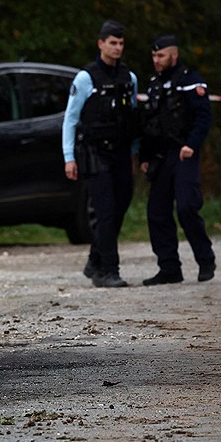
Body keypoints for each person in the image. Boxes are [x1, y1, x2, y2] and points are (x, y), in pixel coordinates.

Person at [62, 20, 139, 288]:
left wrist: (134, 154)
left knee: (120, 208)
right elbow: (70, 120)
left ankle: (95, 260)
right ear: (101, 44)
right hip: (95, 153)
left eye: (121, 43)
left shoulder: (129, 78)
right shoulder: (86, 78)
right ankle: (108, 270)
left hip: (120, 152)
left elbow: (131, 118)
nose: (117, 48)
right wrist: (68, 157)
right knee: (105, 211)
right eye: (112, 43)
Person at [139, 34, 216, 285]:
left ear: (174, 54)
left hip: (184, 154)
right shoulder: (153, 85)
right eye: (154, 56)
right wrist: (145, 156)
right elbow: (149, 124)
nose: (156, 60)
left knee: (186, 207)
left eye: (160, 55)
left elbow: (203, 117)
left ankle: (205, 260)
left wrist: (191, 145)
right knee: (157, 213)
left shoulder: (190, 81)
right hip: (160, 157)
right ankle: (169, 268)